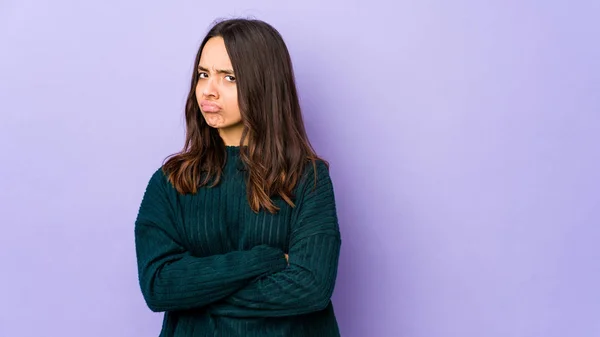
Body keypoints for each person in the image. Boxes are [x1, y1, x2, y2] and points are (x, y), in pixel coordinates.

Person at [133, 18, 342, 336]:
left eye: (228, 77)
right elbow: (159, 287)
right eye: (203, 75)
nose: (208, 91)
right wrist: (265, 259)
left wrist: (197, 292)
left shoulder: (308, 179)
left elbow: (311, 287)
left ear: (264, 84)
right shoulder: (171, 181)